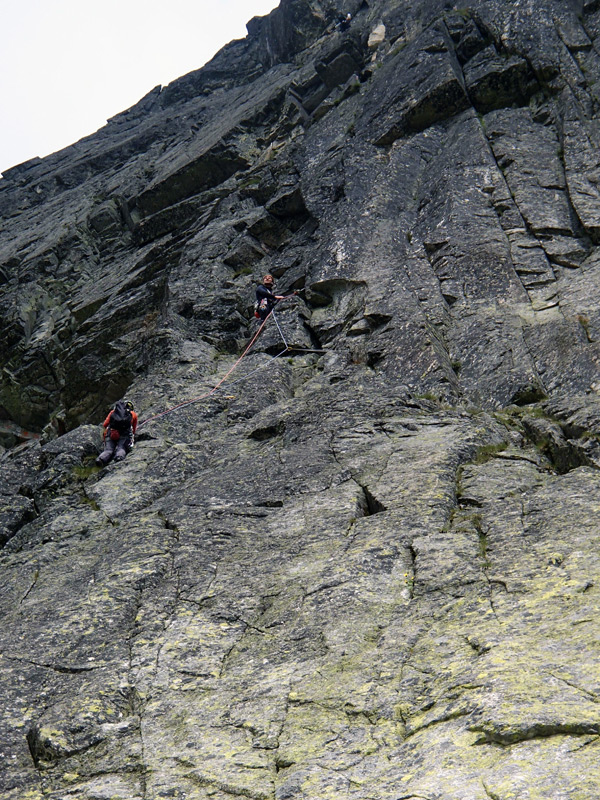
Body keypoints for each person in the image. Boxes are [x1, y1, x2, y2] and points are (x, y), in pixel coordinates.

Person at [96, 400, 138, 466]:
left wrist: (105, 436)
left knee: (108, 450)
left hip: (111, 433)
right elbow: (133, 430)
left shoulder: (113, 412)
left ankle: (101, 459)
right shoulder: (133, 414)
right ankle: (119, 457)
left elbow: (105, 424)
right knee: (121, 448)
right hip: (124, 435)